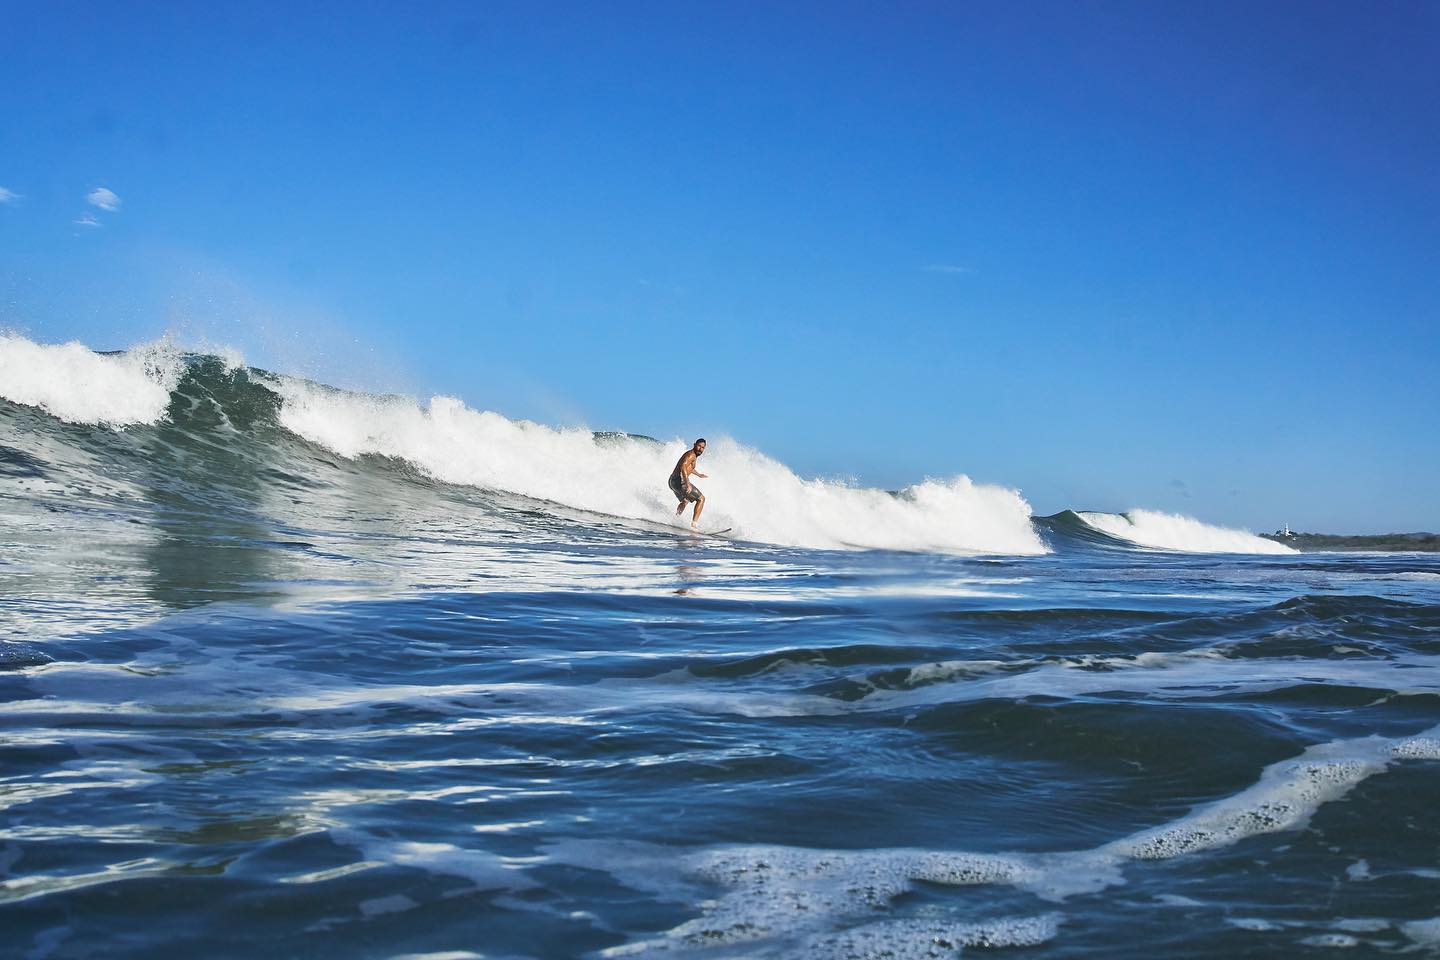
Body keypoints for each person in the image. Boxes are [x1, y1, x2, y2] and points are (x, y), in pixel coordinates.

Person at [668, 438, 708, 528]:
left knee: (685, 501)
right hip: (679, 481)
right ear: (694, 444)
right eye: (699, 446)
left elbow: (689, 467)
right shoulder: (691, 455)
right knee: (701, 499)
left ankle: (676, 520)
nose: (700, 449)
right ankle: (694, 525)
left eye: (702, 448)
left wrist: (698, 474)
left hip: (672, 481)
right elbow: (683, 467)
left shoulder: (692, 455)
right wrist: (687, 483)